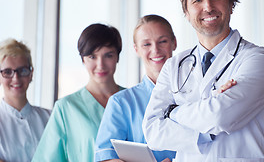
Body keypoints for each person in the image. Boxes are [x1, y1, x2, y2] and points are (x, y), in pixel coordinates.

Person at [142, 0, 264, 162]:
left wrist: (173, 112)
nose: (208, 7)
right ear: (186, 13)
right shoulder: (174, 66)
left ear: (231, 5)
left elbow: (220, 116)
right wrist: (211, 109)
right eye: (197, 0)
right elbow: (152, 131)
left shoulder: (256, 58)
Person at [32, 23, 125, 162]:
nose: (100, 65)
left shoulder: (133, 100)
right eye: (92, 57)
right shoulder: (66, 108)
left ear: (117, 57)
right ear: (83, 59)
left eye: (108, 55)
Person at [94, 15, 177, 162]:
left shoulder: (195, 95)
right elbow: (105, 157)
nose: (155, 50)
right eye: (146, 44)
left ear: (174, 43)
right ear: (136, 49)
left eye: (162, 41)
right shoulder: (121, 103)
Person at [0, 38, 51, 162]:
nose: (16, 78)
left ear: (31, 73)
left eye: (22, 70)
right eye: (8, 72)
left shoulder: (50, 117)